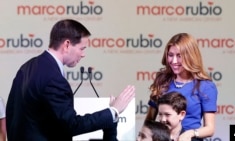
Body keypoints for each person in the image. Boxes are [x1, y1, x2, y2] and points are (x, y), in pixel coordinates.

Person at [6, 19, 135, 141]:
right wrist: (113, 111)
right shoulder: (53, 78)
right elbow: (72, 125)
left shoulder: (27, 67)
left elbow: (11, 114)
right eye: (82, 48)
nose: (83, 54)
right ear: (67, 45)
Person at [145, 33, 218, 141]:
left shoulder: (205, 86)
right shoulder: (162, 81)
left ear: (190, 56)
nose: (174, 61)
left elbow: (210, 129)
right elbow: (149, 121)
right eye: (170, 55)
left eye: (179, 56)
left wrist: (191, 133)